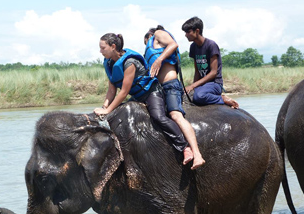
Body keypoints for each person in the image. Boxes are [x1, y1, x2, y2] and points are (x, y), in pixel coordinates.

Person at [95, 33, 195, 166]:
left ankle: (185, 147)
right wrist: (105, 107)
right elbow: (111, 90)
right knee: (116, 115)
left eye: (103, 48)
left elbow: (124, 92)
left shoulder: (129, 62)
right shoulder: (109, 63)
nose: (100, 51)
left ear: (113, 47)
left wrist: (107, 110)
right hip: (137, 96)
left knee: (158, 116)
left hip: (150, 92)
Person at [144, 26, 205, 169]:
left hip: (170, 85)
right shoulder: (151, 45)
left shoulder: (158, 34)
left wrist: (159, 59)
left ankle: (197, 154)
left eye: (147, 41)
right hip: (158, 89)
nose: (147, 45)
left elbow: (173, 45)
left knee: (176, 115)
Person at [181, 16, 239, 108]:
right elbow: (197, 71)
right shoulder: (193, 47)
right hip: (203, 84)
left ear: (197, 31)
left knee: (199, 96)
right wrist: (192, 88)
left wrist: (192, 86)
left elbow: (213, 73)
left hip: (215, 83)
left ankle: (221, 99)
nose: (186, 35)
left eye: (188, 32)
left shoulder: (211, 45)